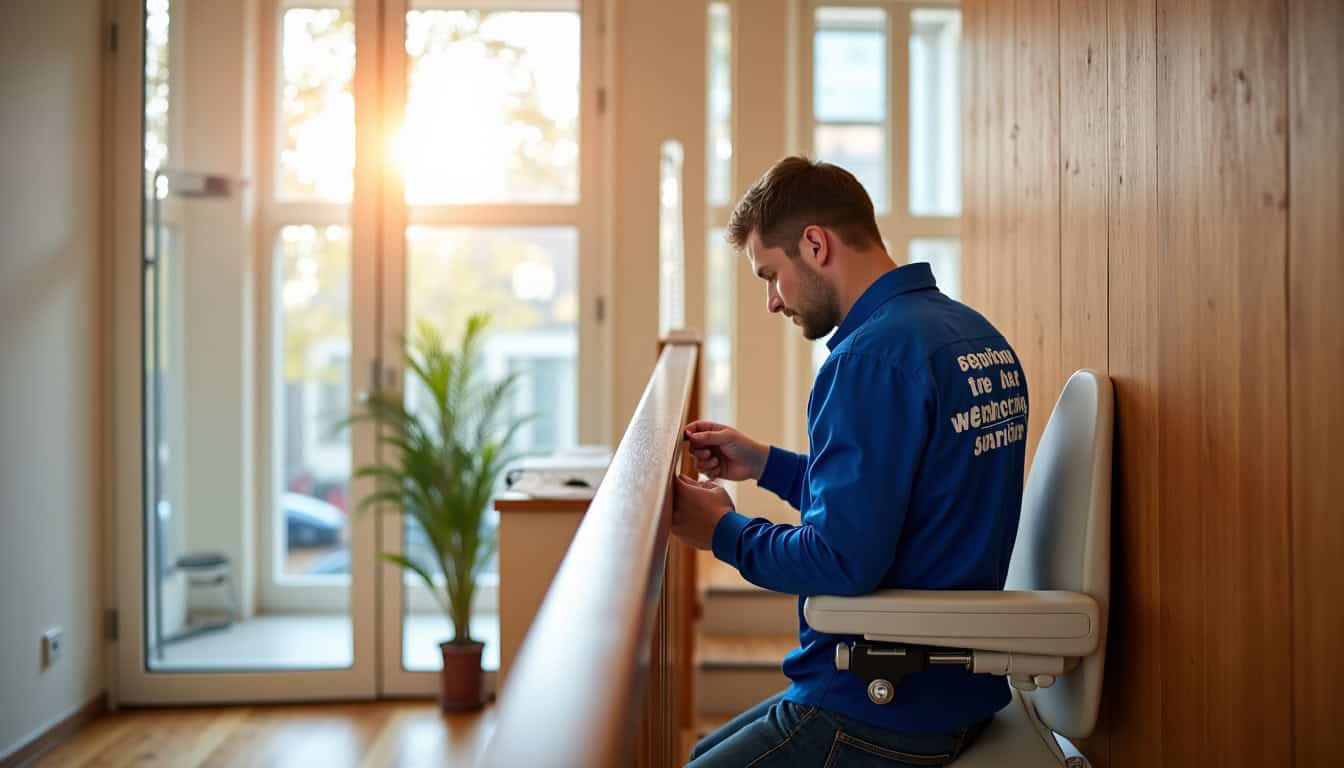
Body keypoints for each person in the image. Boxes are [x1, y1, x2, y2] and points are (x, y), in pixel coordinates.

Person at [671, 156, 1029, 767]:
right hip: (952, 688)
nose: (771, 302)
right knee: (705, 750)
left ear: (814, 244)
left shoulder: (869, 359)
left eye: (770, 275)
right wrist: (765, 464)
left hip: (881, 701)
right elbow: (909, 501)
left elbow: (839, 561)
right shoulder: (972, 335)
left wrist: (722, 533)